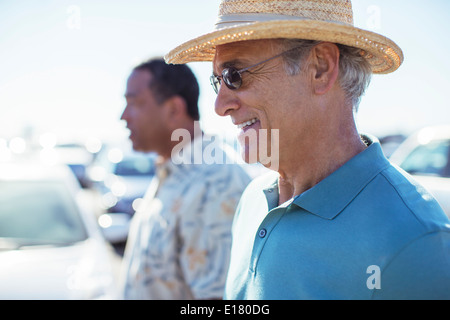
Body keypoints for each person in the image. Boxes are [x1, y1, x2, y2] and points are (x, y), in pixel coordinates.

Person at [165, 0, 450, 299]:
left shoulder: (416, 242)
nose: (220, 106)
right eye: (217, 81)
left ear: (321, 68)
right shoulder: (252, 200)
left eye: (234, 75)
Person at [119, 58, 251, 300]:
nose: (123, 116)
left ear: (173, 110)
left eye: (134, 103)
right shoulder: (174, 172)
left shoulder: (214, 184)